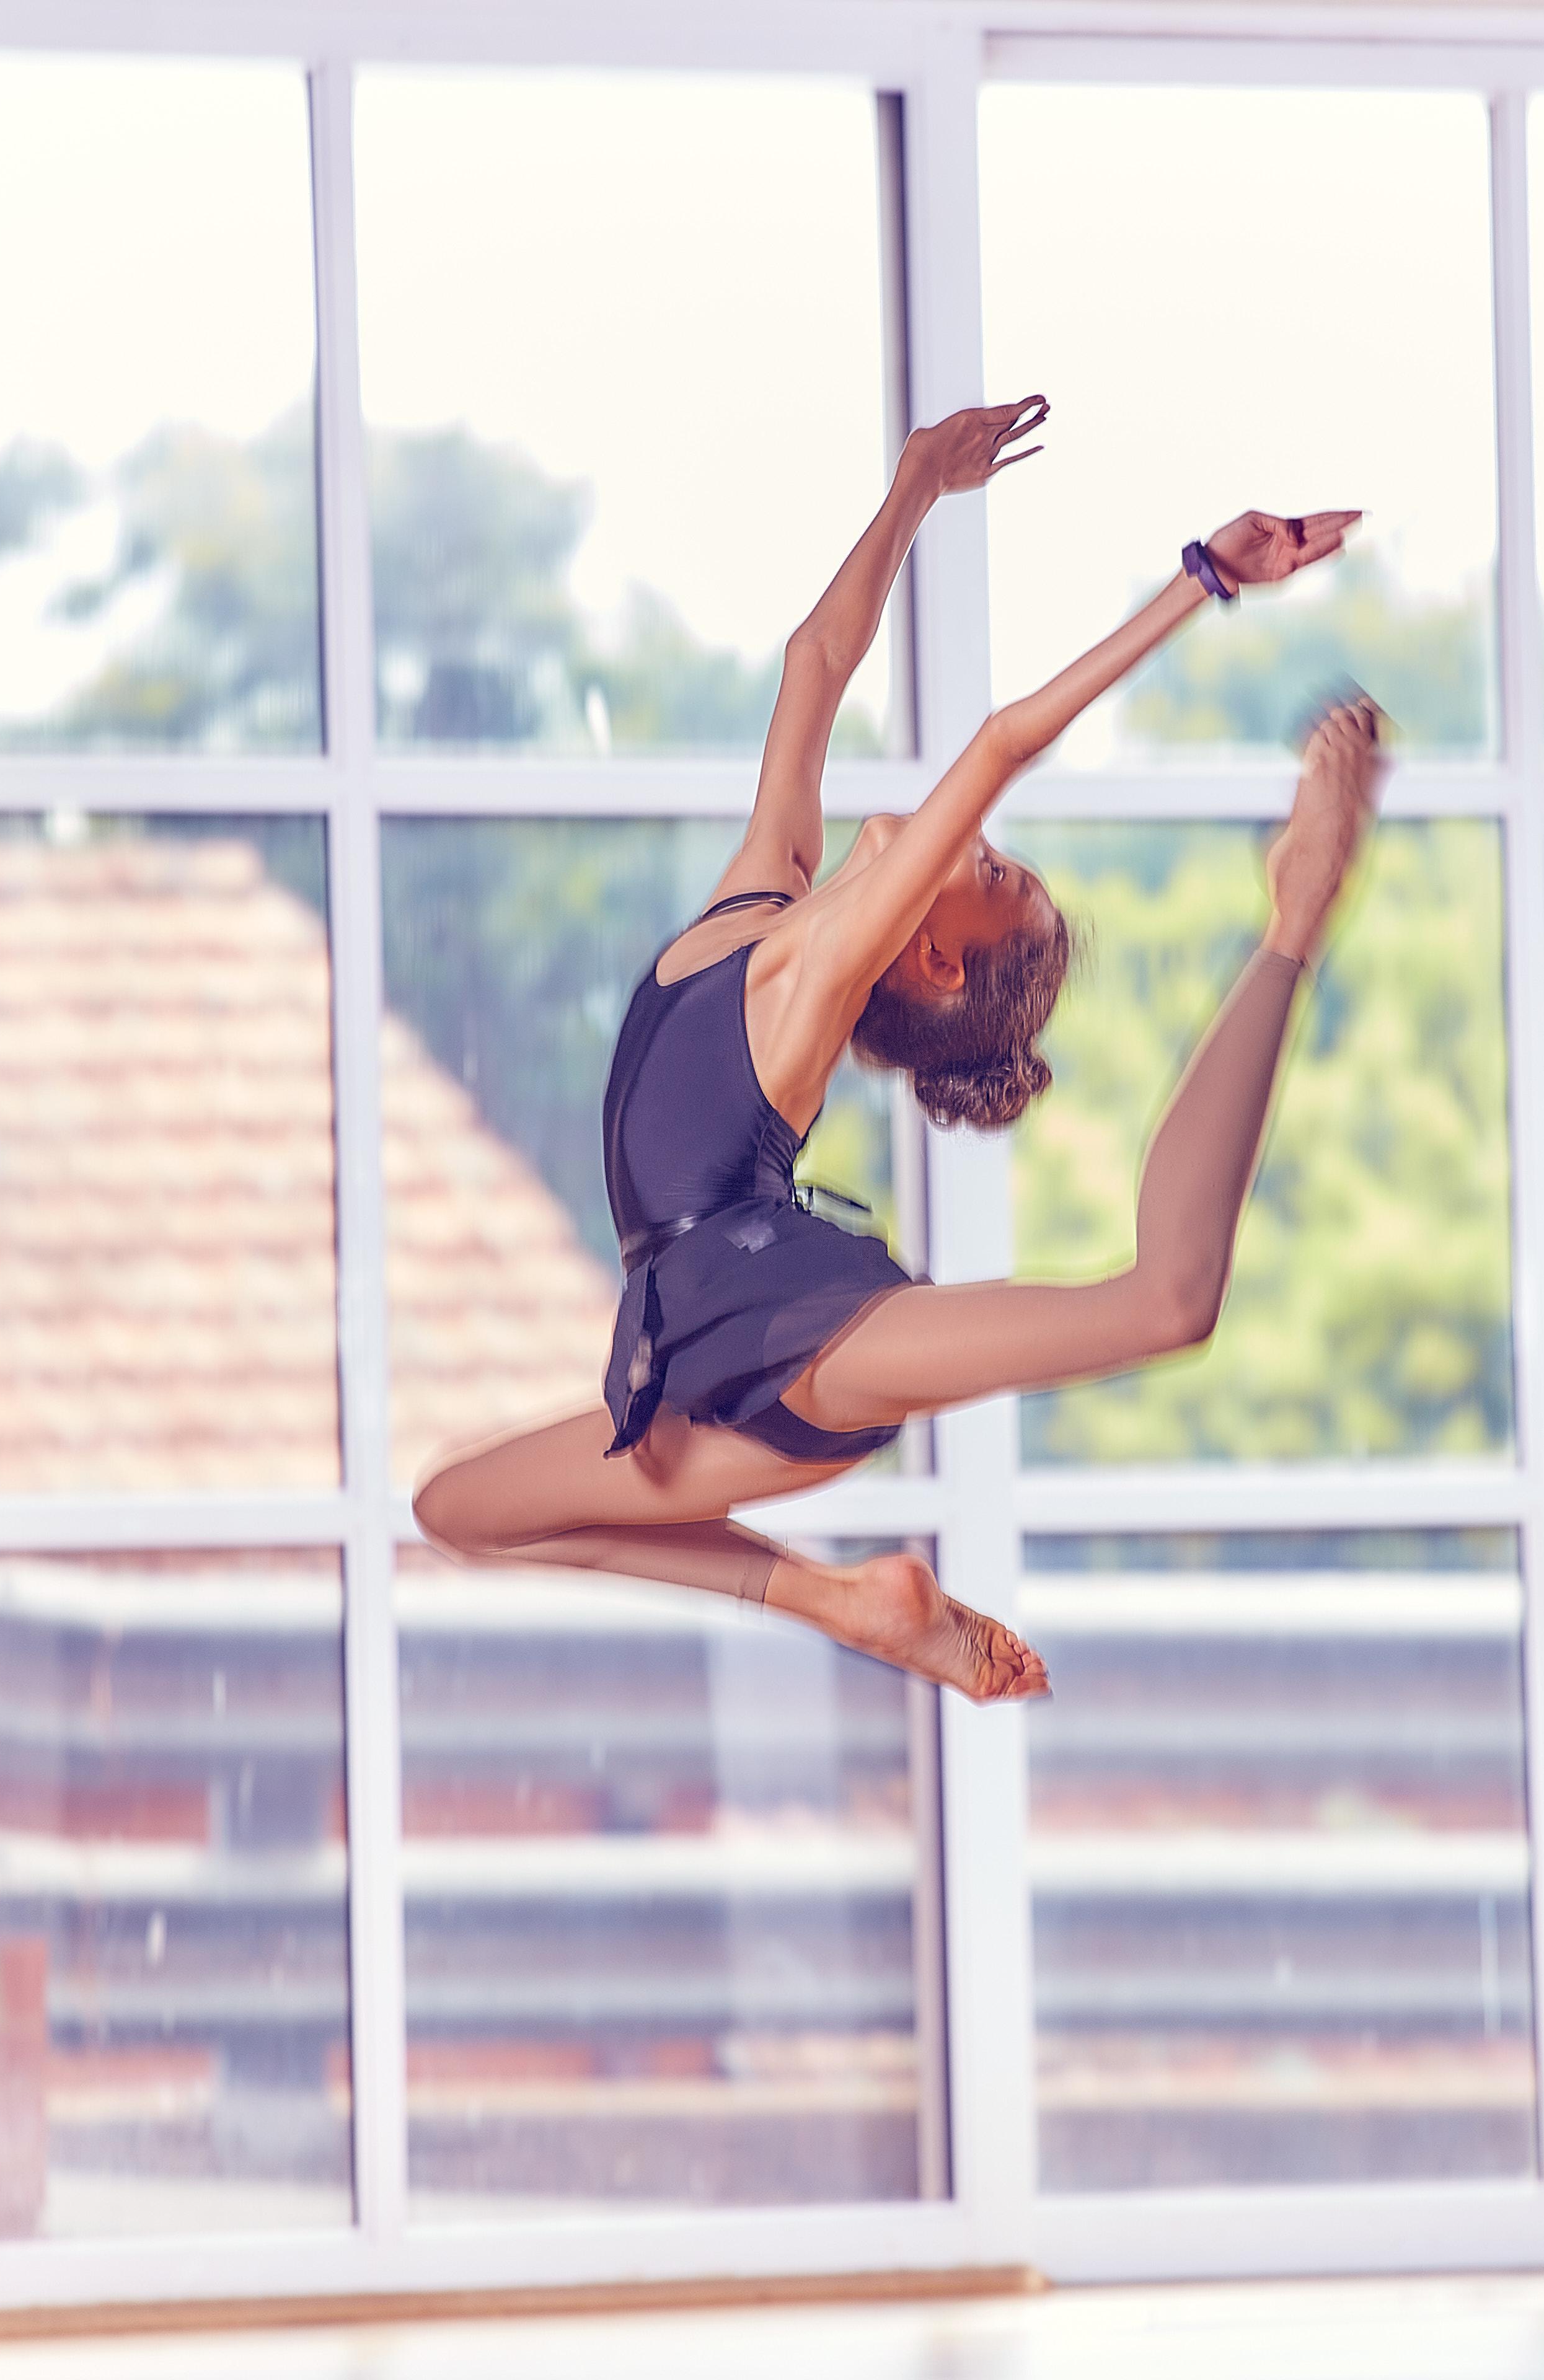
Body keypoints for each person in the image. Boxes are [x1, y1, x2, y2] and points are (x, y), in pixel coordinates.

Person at [413, 400, 1381, 1702]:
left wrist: (1203, 580)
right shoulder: (762, 903)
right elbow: (815, 665)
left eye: (978, 867)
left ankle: (1298, 914)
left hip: (787, 1327)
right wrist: (917, 485)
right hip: (699, 1327)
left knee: (1166, 1303)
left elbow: (999, 746)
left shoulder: (814, 979)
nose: (955, 836)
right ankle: (842, 1601)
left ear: (928, 957)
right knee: (456, 1511)